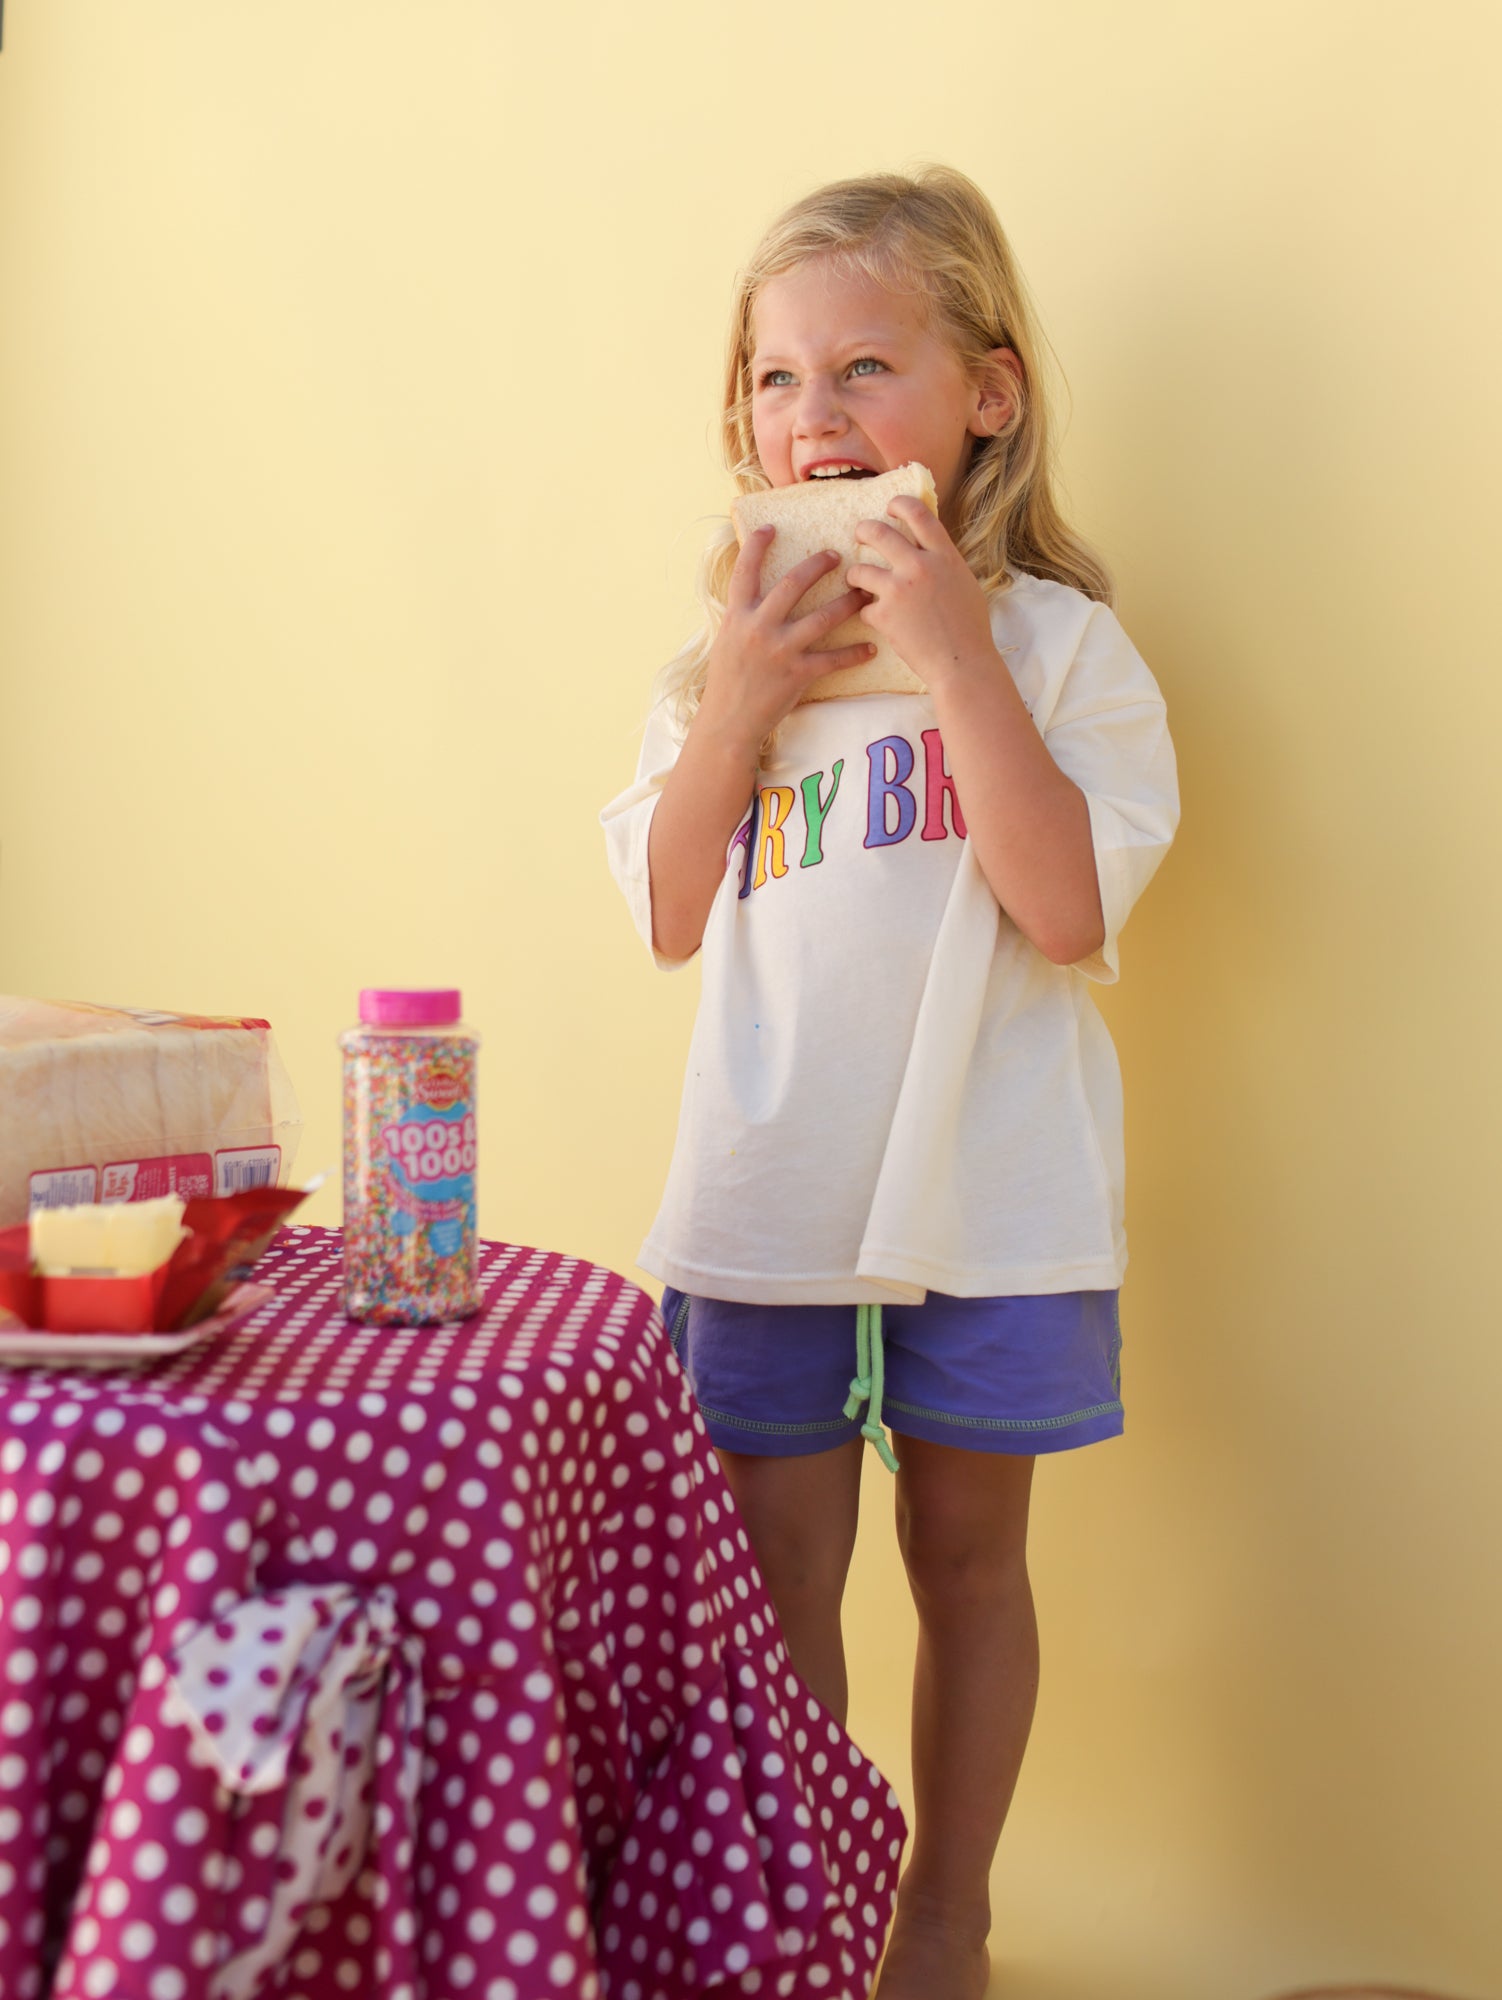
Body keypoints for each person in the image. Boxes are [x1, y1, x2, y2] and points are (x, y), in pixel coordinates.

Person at [600, 164, 1179, 1999]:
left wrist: (952, 658)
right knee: (773, 1582)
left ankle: (945, 1913)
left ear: (985, 396)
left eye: (866, 366)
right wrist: (740, 710)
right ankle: (807, 1912)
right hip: (769, 1186)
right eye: (777, 379)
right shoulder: (721, 664)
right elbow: (674, 912)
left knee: (965, 1561)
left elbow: (1064, 897)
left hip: (988, 1190)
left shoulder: (1061, 648)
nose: (818, 415)